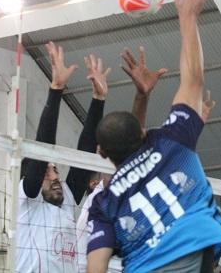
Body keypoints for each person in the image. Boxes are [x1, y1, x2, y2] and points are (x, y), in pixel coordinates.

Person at [86, 0, 221, 273]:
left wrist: (142, 97)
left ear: (102, 152)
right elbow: (193, 79)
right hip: (194, 244)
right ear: (143, 133)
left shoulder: (103, 203)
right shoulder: (172, 140)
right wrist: (187, 19)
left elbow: (96, 268)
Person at [16, 42, 111, 272]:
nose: (55, 176)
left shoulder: (66, 199)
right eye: (47, 172)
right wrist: (56, 89)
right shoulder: (29, 202)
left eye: (55, 169)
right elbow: (43, 150)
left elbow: (83, 155)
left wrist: (98, 100)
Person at [75, 47, 167, 273]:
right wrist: (141, 95)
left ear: (101, 152)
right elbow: (130, 138)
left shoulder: (128, 198)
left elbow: (130, 140)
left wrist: (141, 96)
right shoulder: (96, 199)